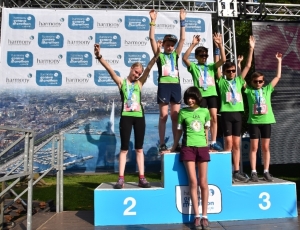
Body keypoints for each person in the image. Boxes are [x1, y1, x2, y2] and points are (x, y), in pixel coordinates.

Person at [93, 40, 162, 189]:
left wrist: (156, 55)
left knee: (139, 148)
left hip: (139, 118)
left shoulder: (139, 83)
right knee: (124, 149)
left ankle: (141, 178)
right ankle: (121, 179)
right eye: (136, 72)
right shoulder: (121, 82)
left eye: (139, 73)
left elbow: (149, 67)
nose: (137, 75)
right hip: (126, 117)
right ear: (131, 69)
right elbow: (109, 69)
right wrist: (99, 57)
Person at [162, 86, 211, 230]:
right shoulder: (183, 112)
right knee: (193, 182)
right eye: (188, 98)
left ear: (197, 98)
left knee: (203, 182)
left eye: (192, 97)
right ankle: (196, 216)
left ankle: (205, 216)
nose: (190, 100)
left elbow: (206, 130)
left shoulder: (205, 111)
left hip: (202, 148)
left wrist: (208, 145)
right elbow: (178, 132)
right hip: (188, 148)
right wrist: (172, 147)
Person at [216, 36, 255, 183]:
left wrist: (251, 48)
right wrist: (220, 45)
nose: (232, 73)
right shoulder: (221, 82)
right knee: (228, 143)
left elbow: (247, 66)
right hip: (226, 113)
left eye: (233, 71)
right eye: (229, 71)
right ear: (225, 72)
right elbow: (218, 64)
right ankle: (227, 171)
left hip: (237, 114)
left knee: (237, 144)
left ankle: (237, 171)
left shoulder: (239, 80)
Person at [149, 9, 186, 152]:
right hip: (164, 86)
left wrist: (182, 20)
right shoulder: (159, 54)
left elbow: (182, 39)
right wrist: (153, 21)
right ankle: (162, 143)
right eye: (168, 44)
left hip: (175, 86)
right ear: (163, 44)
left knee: (175, 116)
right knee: (163, 116)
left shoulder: (176, 55)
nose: (170, 46)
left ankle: (176, 144)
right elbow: (152, 39)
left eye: (172, 44)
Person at [182, 34, 226, 151]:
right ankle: (205, 142)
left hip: (212, 94)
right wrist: (193, 44)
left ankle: (213, 141)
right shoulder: (194, 68)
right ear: (196, 57)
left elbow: (224, 60)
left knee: (214, 118)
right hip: (201, 96)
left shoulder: (211, 66)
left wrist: (220, 45)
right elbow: (184, 58)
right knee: (204, 119)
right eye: (202, 55)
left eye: (206, 55)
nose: (204, 57)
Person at [244, 52, 282, 182]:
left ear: (263, 82)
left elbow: (278, 76)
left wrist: (279, 61)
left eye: (260, 81)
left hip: (266, 121)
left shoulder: (267, 90)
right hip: (254, 122)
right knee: (254, 147)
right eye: (255, 81)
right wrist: (239, 65)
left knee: (265, 147)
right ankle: (254, 172)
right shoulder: (248, 90)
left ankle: (266, 171)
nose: (258, 83)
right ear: (252, 82)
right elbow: (240, 78)